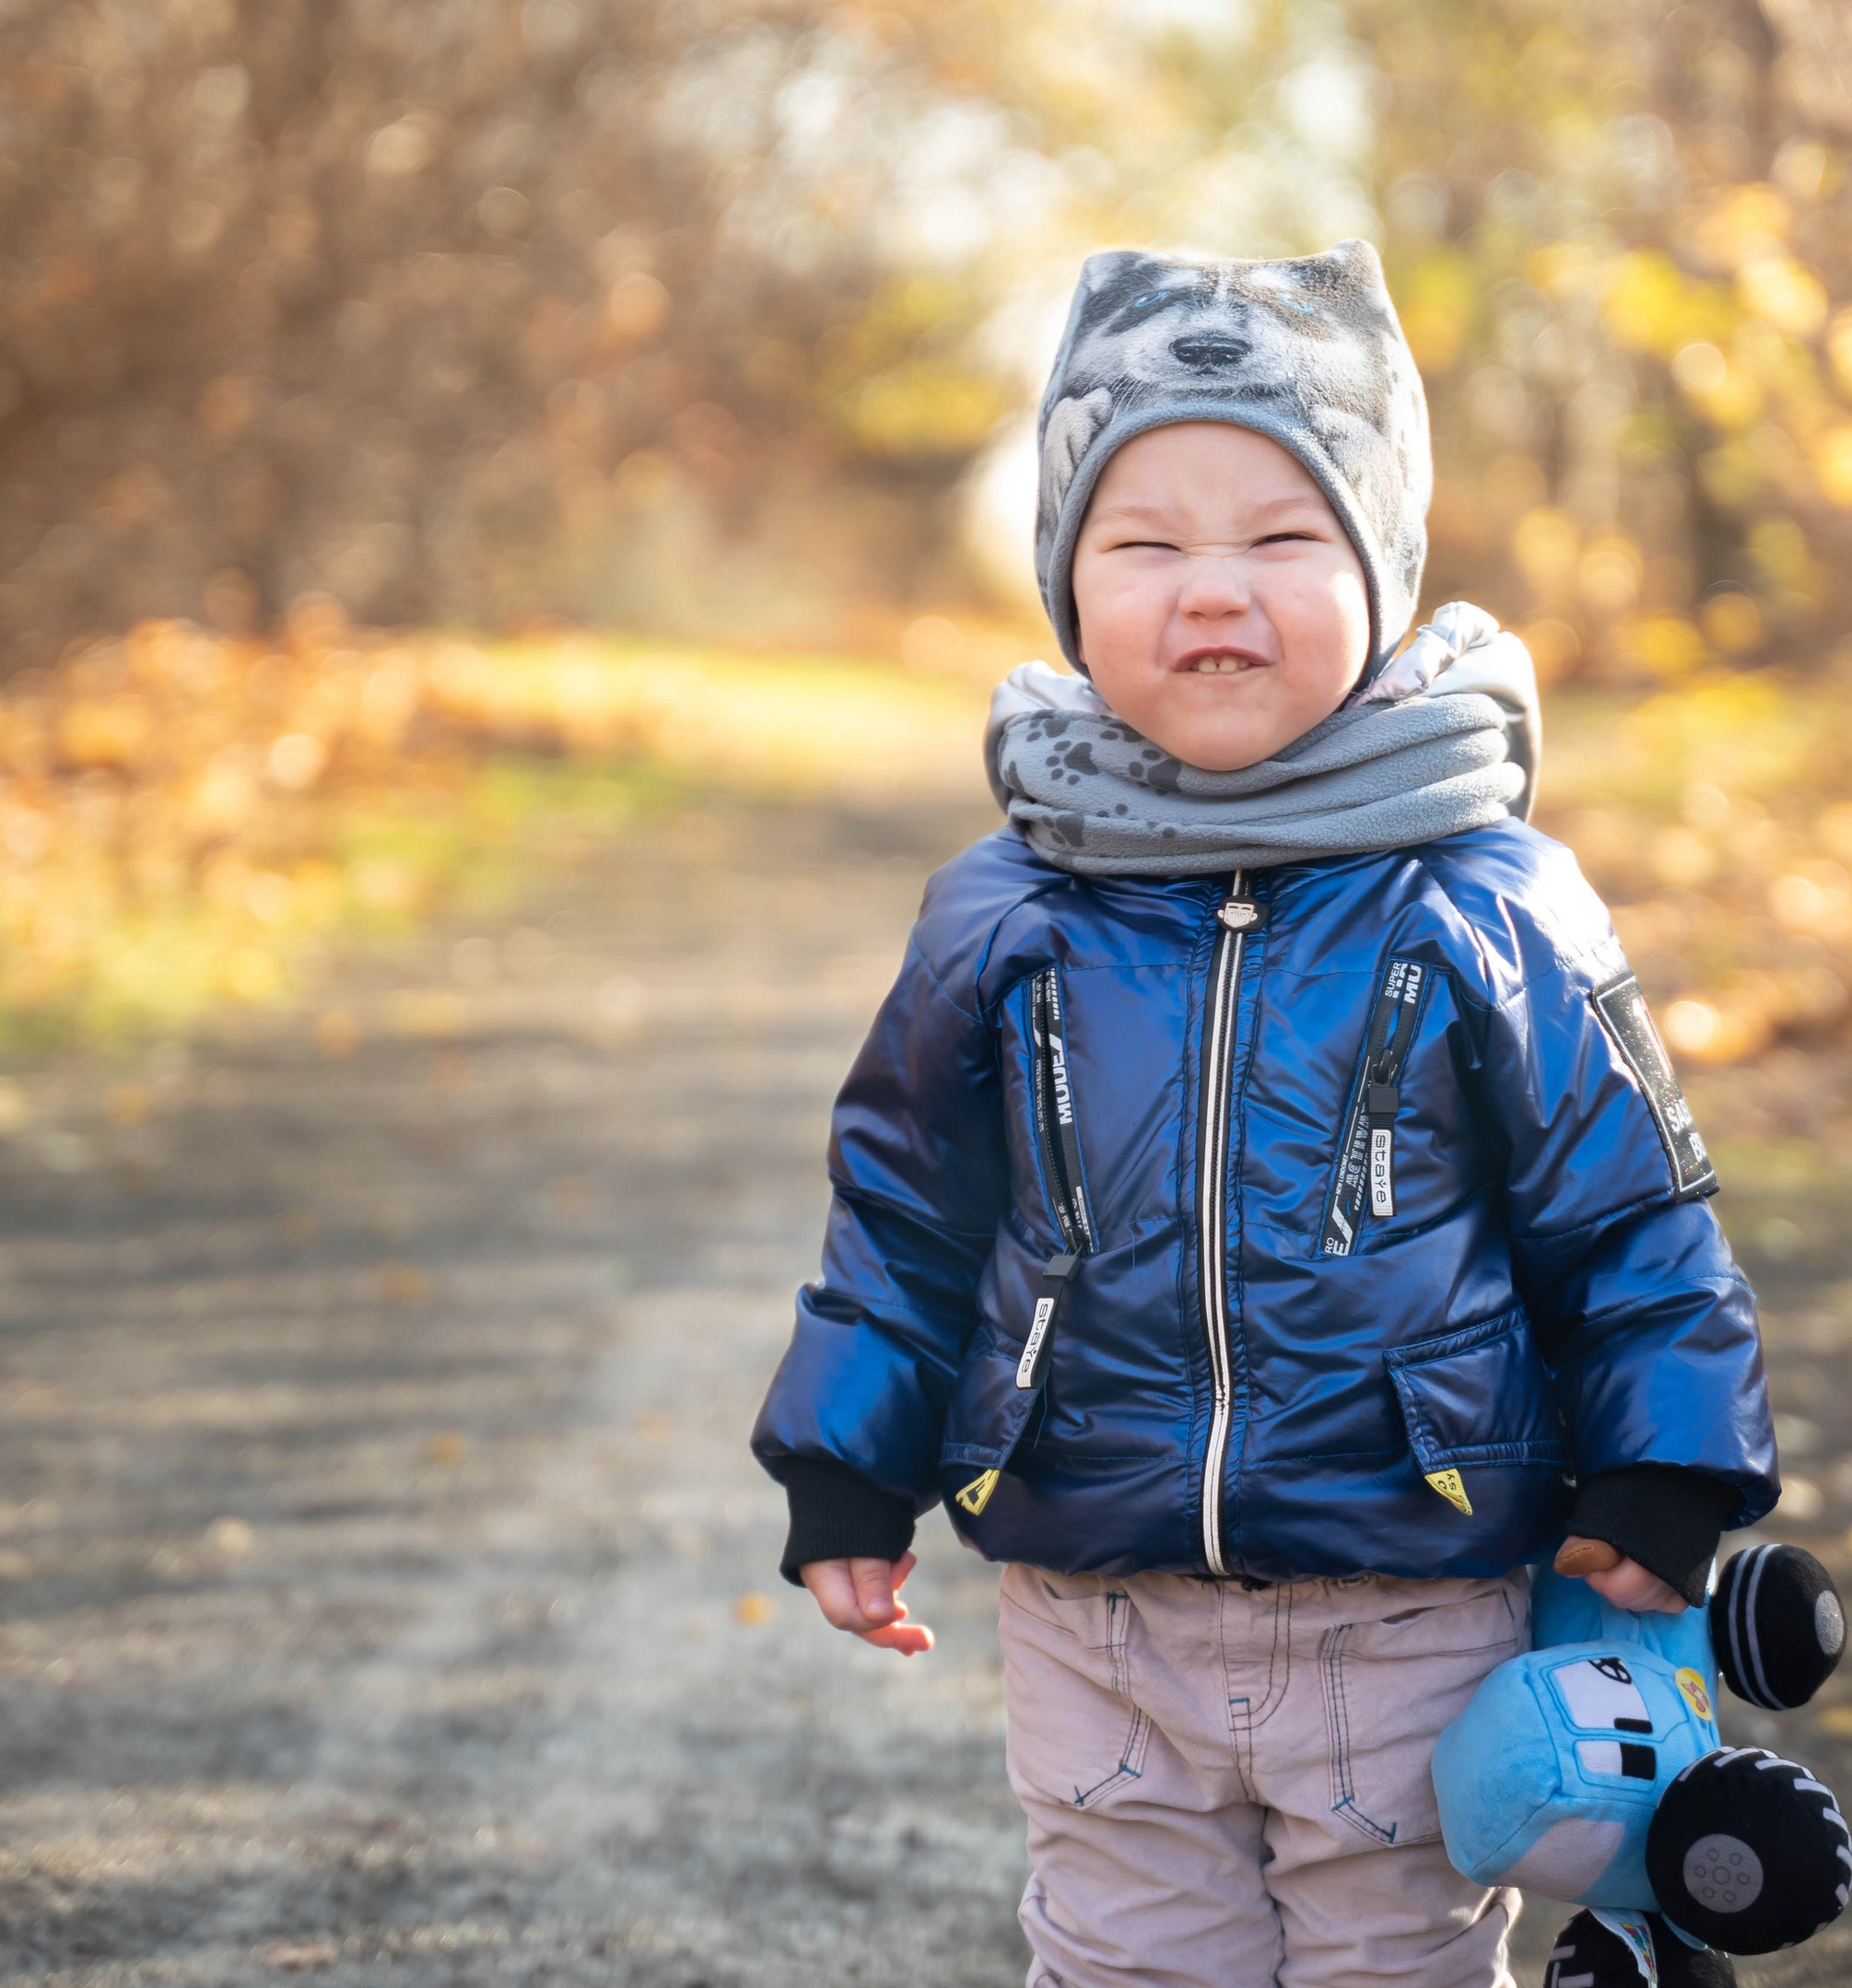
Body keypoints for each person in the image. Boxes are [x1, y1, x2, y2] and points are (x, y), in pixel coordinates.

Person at [751, 240, 1778, 1988]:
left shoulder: (1482, 900)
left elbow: (1627, 1217)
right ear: (1071, 588)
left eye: (1284, 538)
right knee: (1124, 1960)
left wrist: (1667, 1465)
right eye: (1145, 542)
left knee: (1398, 1963)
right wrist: (851, 1463)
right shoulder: (1005, 908)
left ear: (1381, 573)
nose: (1211, 588)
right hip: (1099, 1608)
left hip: (1411, 1593)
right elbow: (909, 1216)